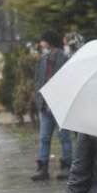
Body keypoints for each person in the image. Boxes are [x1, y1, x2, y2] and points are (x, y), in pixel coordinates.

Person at [33, 30, 72, 181]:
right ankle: (42, 168)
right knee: (44, 138)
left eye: (43, 40)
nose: (41, 43)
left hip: (60, 105)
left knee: (64, 137)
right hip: (44, 105)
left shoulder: (64, 58)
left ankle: (67, 166)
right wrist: (39, 99)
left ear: (49, 42)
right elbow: (38, 80)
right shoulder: (43, 59)